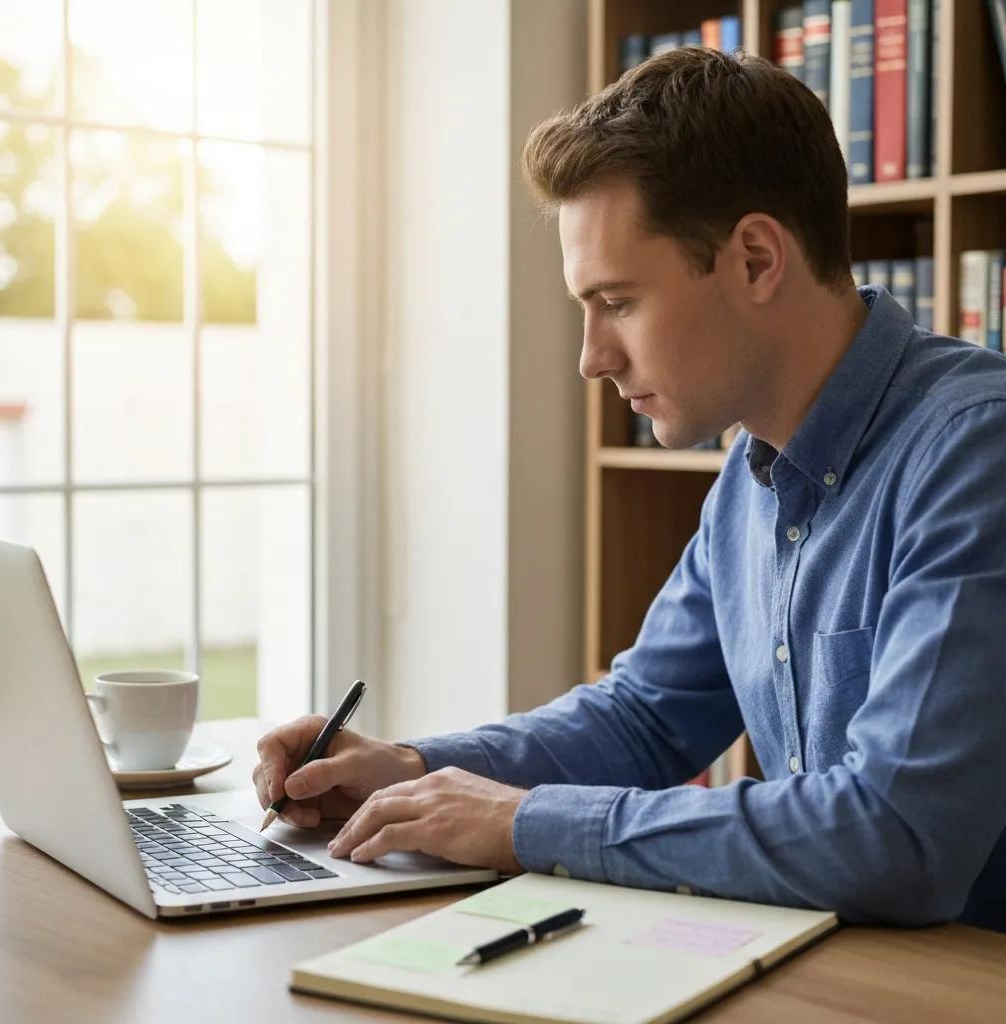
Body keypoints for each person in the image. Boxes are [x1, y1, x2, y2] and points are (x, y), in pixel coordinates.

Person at [253, 47, 1006, 933]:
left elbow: (895, 838)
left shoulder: (974, 453)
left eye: (618, 301)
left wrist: (522, 823)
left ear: (758, 259)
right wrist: (412, 767)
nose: (591, 357)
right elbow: (647, 718)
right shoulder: (750, 478)